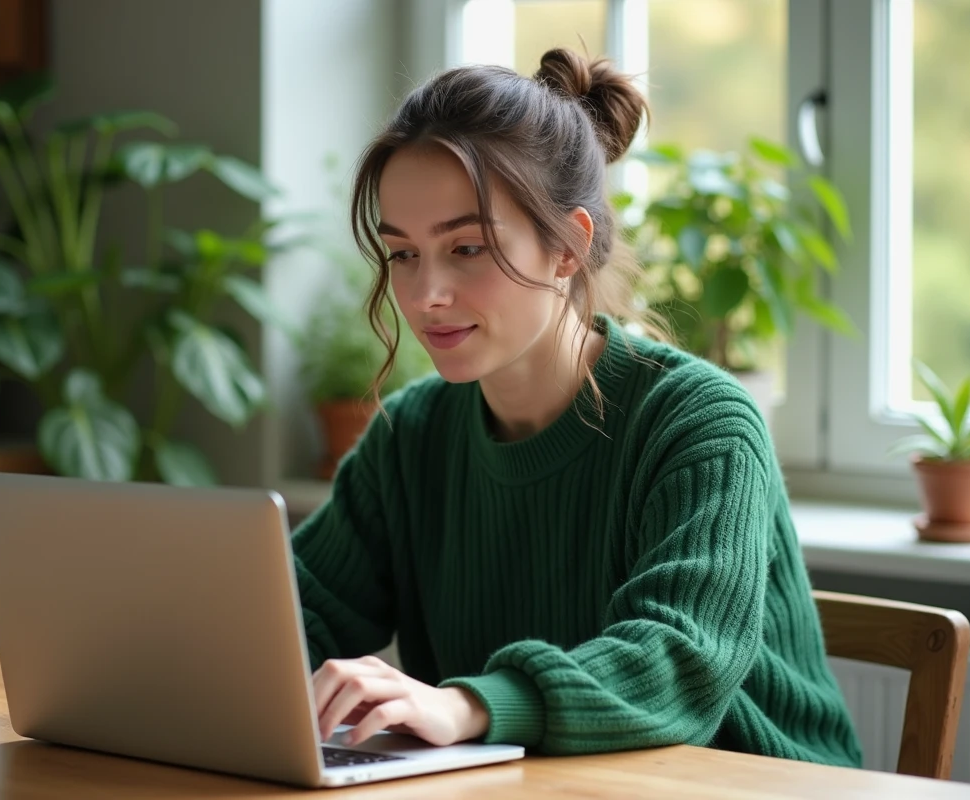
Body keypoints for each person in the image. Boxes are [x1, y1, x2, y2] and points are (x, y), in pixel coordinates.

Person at [291, 48, 862, 767]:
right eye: (402, 254)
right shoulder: (411, 437)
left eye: (466, 247)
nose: (425, 294)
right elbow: (295, 614)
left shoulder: (700, 425)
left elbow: (678, 659)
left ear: (568, 248)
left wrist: (468, 705)